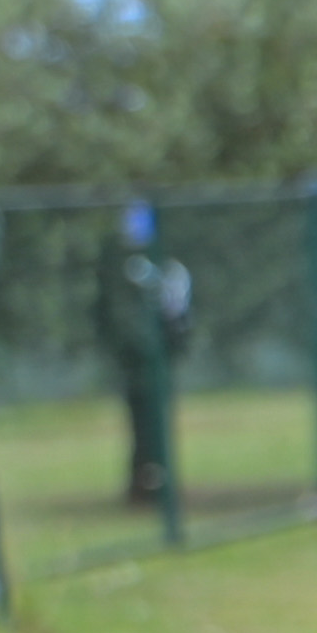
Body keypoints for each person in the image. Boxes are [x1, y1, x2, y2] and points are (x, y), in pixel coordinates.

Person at [103, 202, 193, 505]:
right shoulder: (123, 269)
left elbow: (176, 313)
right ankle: (143, 483)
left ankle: (158, 480)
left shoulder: (166, 268)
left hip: (157, 360)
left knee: (158, 422)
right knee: (141, 423)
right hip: (135, 362)